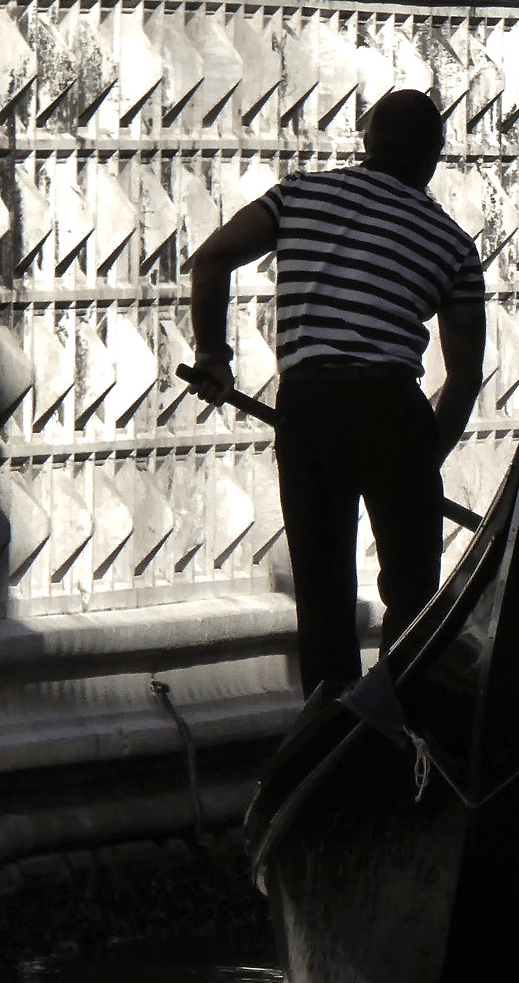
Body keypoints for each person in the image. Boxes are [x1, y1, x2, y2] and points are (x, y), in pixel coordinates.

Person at [183, 89, 488, 700]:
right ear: (434, 159)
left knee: (321, 591)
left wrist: (214, 355)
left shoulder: (299, 195)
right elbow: (462, 377)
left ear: (367, 141)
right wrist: (420, 463)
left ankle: (333, 730)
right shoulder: (452, 244)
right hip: (391, 409)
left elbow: (211, 261)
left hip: (308, 406)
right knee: (411, 591)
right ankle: (403, 719)